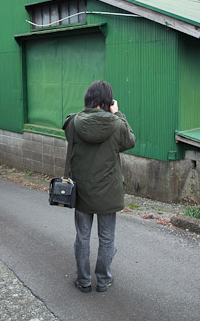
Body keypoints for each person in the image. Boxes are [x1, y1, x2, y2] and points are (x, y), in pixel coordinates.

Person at [63, 80, 136, 293]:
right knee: (106, 238)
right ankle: (103, 280)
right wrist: (118, 113)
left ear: (88, 99)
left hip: (82, 191)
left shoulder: (74, 122)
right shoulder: (116, 124)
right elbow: (130, 141)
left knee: (82, 237)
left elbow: (69, 133)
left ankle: (83, 280)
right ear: (107, 101)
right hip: (109, 191)